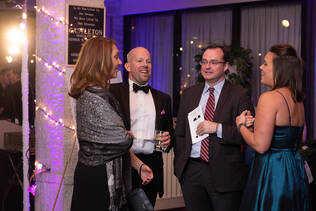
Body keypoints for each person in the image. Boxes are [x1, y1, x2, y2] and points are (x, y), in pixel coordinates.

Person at [69, 37, 153, 211]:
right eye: (115, 57)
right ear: (101, 60)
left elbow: (116, 140)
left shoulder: (99, 94)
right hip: (97, 179)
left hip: (103, 175)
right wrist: (127, 134)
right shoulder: (93, 97)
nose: (119, 62)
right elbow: (121, 139)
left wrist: (138, 164)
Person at [174, 44, 254, 211]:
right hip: (191, 172)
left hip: (225, 174)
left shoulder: (239, 94)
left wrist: (217, 128)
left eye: (213, 62)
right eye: (204, 62)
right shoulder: (189, 94)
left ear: (225, 66)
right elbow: (180, 133)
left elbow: (247, 135)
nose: (207, 66)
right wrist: (182, 166)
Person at [236, 44, 312, 210]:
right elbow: (301, 138)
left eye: (265, 63)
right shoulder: (298, 100)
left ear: (280, 69)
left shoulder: (269, 98)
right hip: (294, 170)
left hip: (273, 171)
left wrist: (241, 125)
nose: (261, 67)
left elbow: (260, 146)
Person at [110, 46, 174, 206]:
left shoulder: (163, 98)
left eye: (148, 61)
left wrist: (167, 141)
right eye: (140, 61)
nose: (145, 64)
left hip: (152, 166)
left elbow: (169, 134)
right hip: (122, 163)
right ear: (128, 66)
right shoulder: (113, 92)